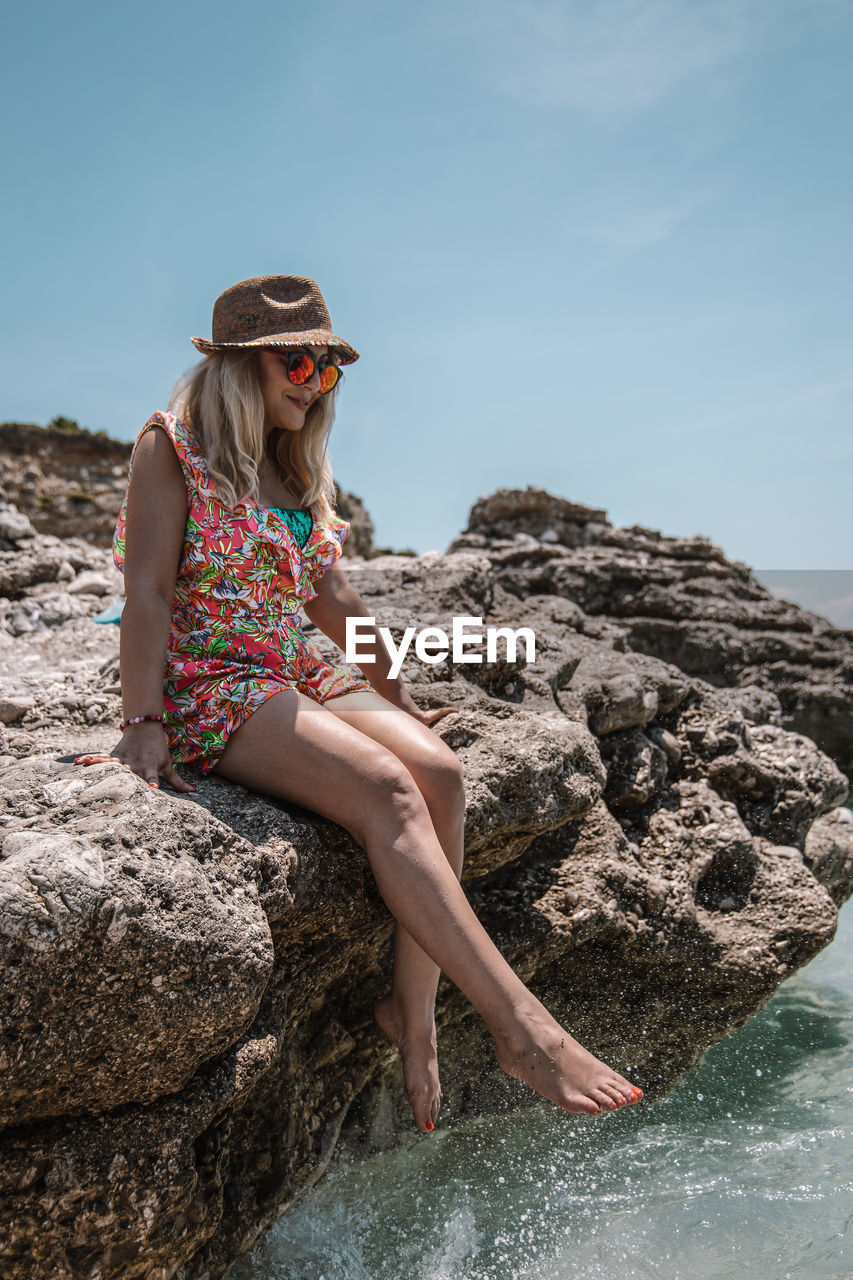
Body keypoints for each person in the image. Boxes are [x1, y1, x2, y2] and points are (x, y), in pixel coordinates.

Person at [75, 275, 642, 1134]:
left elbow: (333, 601)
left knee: (439, 773)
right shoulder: (171, 447)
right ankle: (523, 1032)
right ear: (239, 364)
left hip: (296, 663)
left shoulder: (291, 461)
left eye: (326, 367)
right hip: (211, 678)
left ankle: (410, 1017)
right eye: (295, 361)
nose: (312, 379)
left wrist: (402, 698)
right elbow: (147, 593)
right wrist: (142, 725)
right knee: (386, 791)